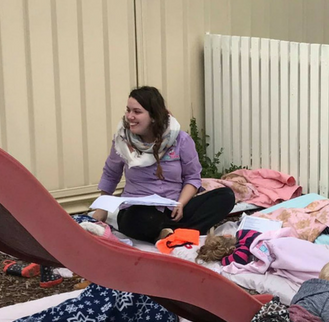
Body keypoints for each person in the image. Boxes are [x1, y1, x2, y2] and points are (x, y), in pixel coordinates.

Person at [93, 86, 235, 242]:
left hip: (174, 208)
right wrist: (102, 209)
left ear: (153, 116)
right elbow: (111, 174)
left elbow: (192, 178)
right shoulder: (122, 141)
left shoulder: (181, 139)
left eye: (137, 112)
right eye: (128, 110)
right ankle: (176, 232)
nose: (130, 116)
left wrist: (180, 204)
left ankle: (169, 232)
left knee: (225, 196)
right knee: (137, 218)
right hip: (139, 211)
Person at [195, 228, 260, 265]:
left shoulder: (241, 250)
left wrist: (223, 260)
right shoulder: (242, 232)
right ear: (227, 235)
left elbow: (240, 259)